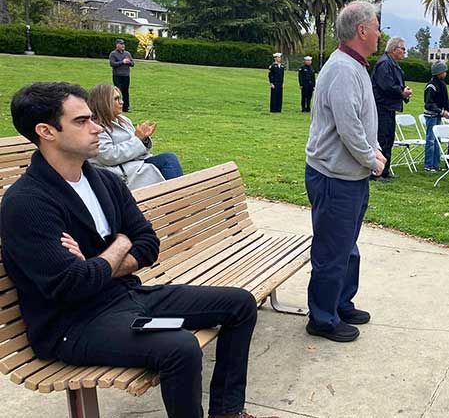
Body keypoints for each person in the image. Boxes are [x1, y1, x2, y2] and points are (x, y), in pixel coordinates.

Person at [3, 82, 258, 418]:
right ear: (46, 131)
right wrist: (121, 243)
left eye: (92, 118)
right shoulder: (26, 203)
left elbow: (148, 243)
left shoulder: (103, 181)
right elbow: (72, 285)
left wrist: (96, 264)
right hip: (73, 325)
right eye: (81, 121)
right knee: (180, 347)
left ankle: (227, 412)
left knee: (240, 304)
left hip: (126, 295)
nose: (97, 128)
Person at [305, 0, 385, 342]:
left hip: (350, 176)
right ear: (362, 30)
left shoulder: (355, 66)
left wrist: (374, 149)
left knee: (346, 246)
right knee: (332, 250)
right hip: (334, 178)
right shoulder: (342, 69)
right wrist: (371, 158)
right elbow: (348, 126)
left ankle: (339, 303)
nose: (380, 33)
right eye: (377, 27)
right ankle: (322, 318)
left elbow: (362, 118)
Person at [87, 84, 183, 189]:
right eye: (116, 99)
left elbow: (138, 147)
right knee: (168, 160)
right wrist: (138, 140)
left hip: (137, 163)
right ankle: (180, 195)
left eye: (121, 98)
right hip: (123, 173)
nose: (121, 102)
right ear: (103, 103)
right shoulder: (97, 128)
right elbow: (108, 156)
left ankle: (180, 194)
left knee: (169, 159)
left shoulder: (124, 120)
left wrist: (144, 139)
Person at [372, 36, 412, 181]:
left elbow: (395, 83)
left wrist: (404, 91)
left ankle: (385, 170)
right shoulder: (384, 63)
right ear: (394, 49)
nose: (404, 52)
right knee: (382, 139)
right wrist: (401, 92)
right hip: (382, 107)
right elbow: (386, 86)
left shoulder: (393, 64)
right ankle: (376, 172)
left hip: (389, 107)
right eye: (403, 49)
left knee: (389, 139)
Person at [423, 61, 449, 172]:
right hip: (431, 116)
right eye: (444, 71)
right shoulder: (431, 86)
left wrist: (448, 109)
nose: (445, 73)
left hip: (437, 115)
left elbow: (443, 100)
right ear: (439, 72)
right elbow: (429, 103)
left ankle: (436, 165)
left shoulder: (441, 84)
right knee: (431, 140)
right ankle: (428, 165)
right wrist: (441, 112)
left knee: (437, 140)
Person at [109, 38, 134, 112]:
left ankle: (126, 107)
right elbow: (112, 64)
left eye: (123, 44)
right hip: (117, 75)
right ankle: (117, 106)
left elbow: (132, 63)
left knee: (125, 91)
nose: (123, 45)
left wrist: (129, 62)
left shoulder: (127, 53)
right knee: (118, 91)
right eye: (121, 44)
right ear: (117, 45)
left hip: (126, 75)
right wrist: (122, 62)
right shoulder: (113, 54)